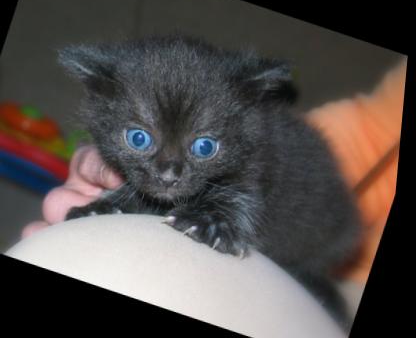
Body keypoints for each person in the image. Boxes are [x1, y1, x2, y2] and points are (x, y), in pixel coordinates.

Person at [21, 59, 407, 286]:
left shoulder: (252, 150)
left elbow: (248, 196)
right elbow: (372, 132)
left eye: (203, 147)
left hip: (320, 255)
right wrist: (117, 196)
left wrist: (219, 220)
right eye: (139, 139)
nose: (168, 173)